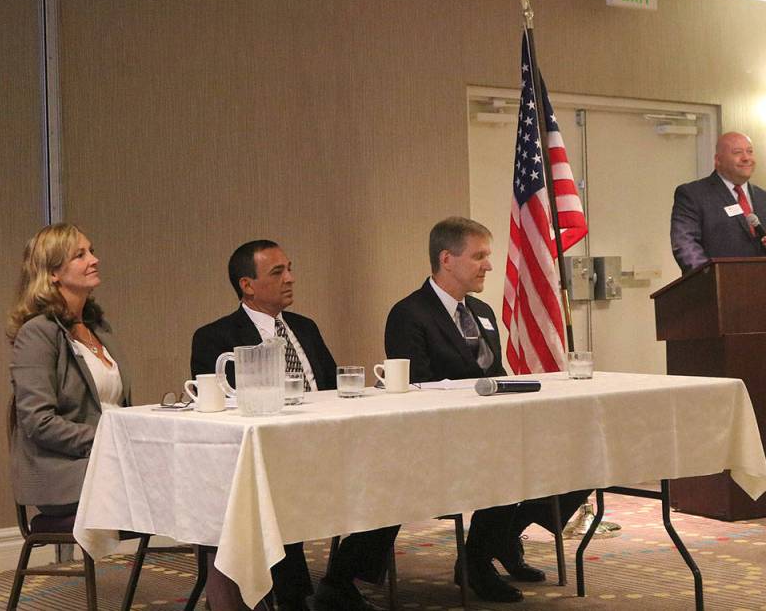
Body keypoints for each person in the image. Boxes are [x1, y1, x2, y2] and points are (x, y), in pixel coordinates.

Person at [384, 217, 587, 603]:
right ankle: (476, 562)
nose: (488, 266)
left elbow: (496, 375)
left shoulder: (481, 311)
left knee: (580, 453)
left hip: (494, 429)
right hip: (443, 436)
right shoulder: (409, 314)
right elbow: (417, 388)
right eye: (479, 257)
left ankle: (505, 537)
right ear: (447, 259)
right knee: (506, 463)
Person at [191, 240, 397, 611]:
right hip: (268, 458)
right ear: (247, 285)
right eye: (277, 272)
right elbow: (219, 409)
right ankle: (292, 597)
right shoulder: (215, 337)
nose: (290, 278)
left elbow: (333, 388)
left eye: (290, 268)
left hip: (329, 448)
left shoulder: (305, 327)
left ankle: (340, 580)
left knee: (394, 478)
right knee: (280, 491)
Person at [8, 223, 131, 518]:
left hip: (113, 459)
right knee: (183, 483)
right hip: (66, 471)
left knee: (198, 472)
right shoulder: (37, 333)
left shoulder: (100, 328)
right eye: (80, 255)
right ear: (53, 273)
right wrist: (107, 440)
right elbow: (38, 422)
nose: (94, 259)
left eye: (92, 251)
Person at [670, 131, 766, 273]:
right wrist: (711, 277)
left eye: (750, 152)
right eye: (737, 152)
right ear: (718, 160)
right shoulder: (694, 194)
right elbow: (685, 245)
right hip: (717, 288)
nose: (746, 158)